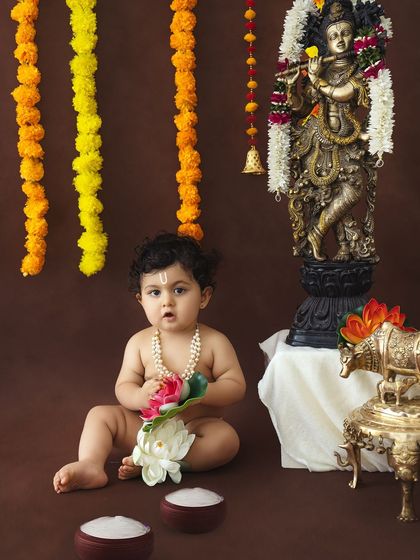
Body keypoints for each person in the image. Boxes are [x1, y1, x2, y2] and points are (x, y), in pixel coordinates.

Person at [53, 232, 246, 493]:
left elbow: (236, 386)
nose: (167, 301)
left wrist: (200, 392)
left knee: (226, 441)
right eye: (155, 292)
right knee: (100, 415)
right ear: (141, 300)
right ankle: (90, 464)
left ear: (204, 296)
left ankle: (160, 465)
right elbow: (124, 387)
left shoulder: (214, 342)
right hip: (145, 429)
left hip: (193, 430)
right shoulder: (139, 343)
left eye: (179, 290)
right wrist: (141, 396)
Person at [286, 0, 377, 263]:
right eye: (333, 35)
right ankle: (344, 248)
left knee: (350, 191)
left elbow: (342, 93)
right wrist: (293, 89)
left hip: (346, 140)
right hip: (316, 141)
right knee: (325, 197)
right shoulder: (322, 68)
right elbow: (303, 109)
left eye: (345, 33)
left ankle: (317, 233)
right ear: (326, 40)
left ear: (354, 36)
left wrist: (316, 79)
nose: (340, 39)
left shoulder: (358, 70)